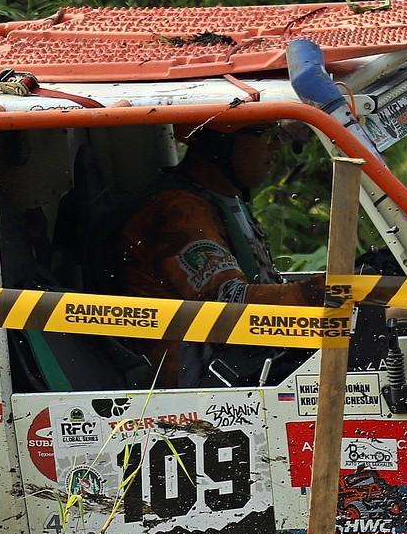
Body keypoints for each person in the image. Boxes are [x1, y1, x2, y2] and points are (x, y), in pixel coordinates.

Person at [116, 122, 325, 383]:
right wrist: (325, 294)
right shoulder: (180, 212)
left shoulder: (221, 199)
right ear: (218, 143)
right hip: (205, 380)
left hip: (239, 361)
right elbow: (228, 302)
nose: (277, 145)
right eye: (263, 133)